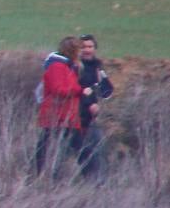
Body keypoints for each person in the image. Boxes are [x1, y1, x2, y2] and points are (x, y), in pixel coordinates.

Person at [34, 35, 91, 177]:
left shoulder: (68, 67)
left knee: (52, 146)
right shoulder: (58, 67)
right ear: (72, 51)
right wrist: (80, 91)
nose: (81, 52)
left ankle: (42, 175)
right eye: (79, 49)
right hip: (57, 115)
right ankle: (40, 175)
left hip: (66, 116)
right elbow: (58, 89)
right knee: (49, 146)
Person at [76, 33, 115, 181]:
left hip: (91, 117)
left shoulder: (97, 66)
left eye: (90, 47)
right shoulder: (75, 66)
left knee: (96, 150)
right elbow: (76, 90)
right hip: (76, 116)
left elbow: (107, 90)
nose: (87, 50)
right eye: (83, 47)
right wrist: (89, 103)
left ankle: (96, 183)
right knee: (82, 151)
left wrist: (102, 83)